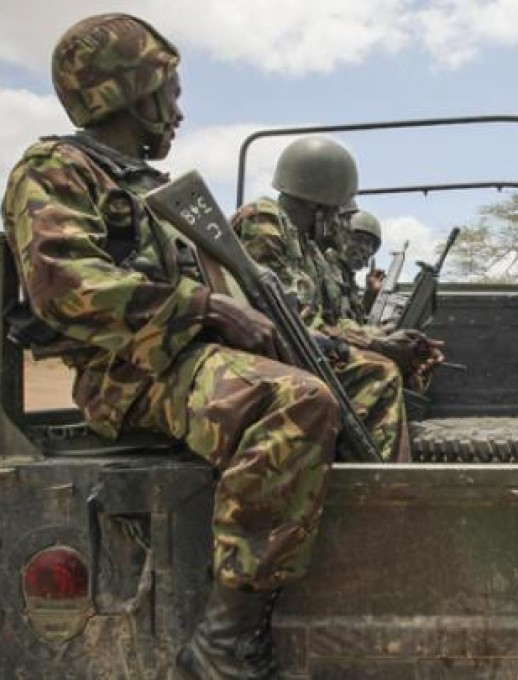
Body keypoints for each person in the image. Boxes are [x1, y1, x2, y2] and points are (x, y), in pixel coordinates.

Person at [1, 13, 336, 677]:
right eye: (172, 94)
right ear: (132, 93)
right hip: (130, 375)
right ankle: (223, 643)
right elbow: (63, 286)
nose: (179, 111)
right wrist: (205, 307)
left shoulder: (153, 188)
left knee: (351, 372)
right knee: (293, 402)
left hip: (187, 361)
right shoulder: (55, 169)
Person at [232, 136, 420, 460]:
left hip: (299, 346)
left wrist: (381, 336)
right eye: (336, 213)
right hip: (267, 348)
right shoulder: (264, 222)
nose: (339, 223)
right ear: (317, 207)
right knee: (379, 373)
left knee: (402, 363)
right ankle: (386, 494)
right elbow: (288, 319)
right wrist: (375, 346)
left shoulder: (306, 246)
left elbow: (327, 320)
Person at [322, 208, 384, 324]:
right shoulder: (327, 269)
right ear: (341, 237)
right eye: (358, 239)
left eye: (369, 243)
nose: (364, 248)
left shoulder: (347, 277)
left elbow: (355, 318)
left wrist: (370, 293)